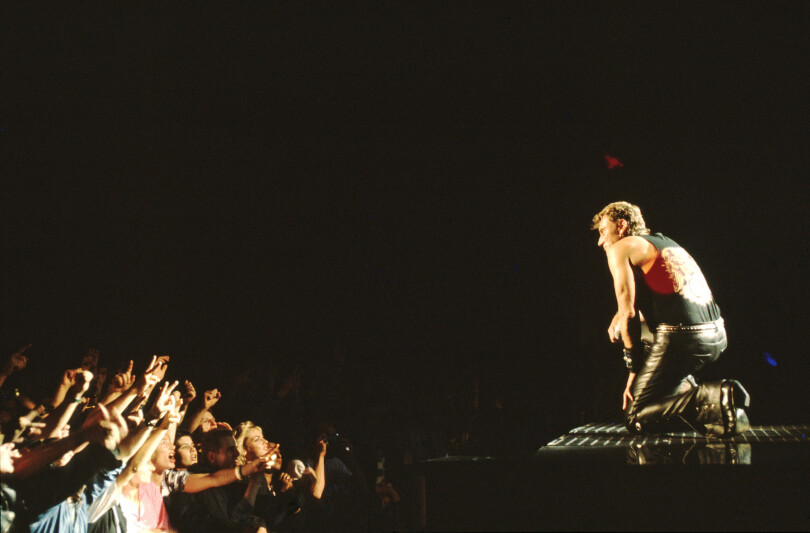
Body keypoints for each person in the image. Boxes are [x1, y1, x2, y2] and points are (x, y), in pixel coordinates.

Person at [592, 201, 750, 437]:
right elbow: (668, 301)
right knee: (631, 329)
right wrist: (622, 316)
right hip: (715, 334)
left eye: (603, 231)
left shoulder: (621, 247)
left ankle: (712, 395)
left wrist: (633, 370)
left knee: (636, 418)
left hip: (684, 337)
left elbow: (629, 314)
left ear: (621, 225)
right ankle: (716, 405)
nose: (600, 241)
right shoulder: (662, 242)